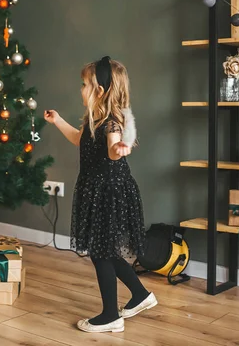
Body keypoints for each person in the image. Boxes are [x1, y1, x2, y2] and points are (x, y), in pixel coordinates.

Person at [44, 56, 157, 333]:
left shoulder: (111, 125)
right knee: (104, 250)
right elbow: (77, 139)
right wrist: (58, 121)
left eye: (84, 84)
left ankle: (110, 316)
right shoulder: (93, 120)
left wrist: (118, 150)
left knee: (101, 252)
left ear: (100, 90)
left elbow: (113, 147)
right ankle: (141, 295)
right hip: (96, 190)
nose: (80, 89)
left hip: (110, 193)